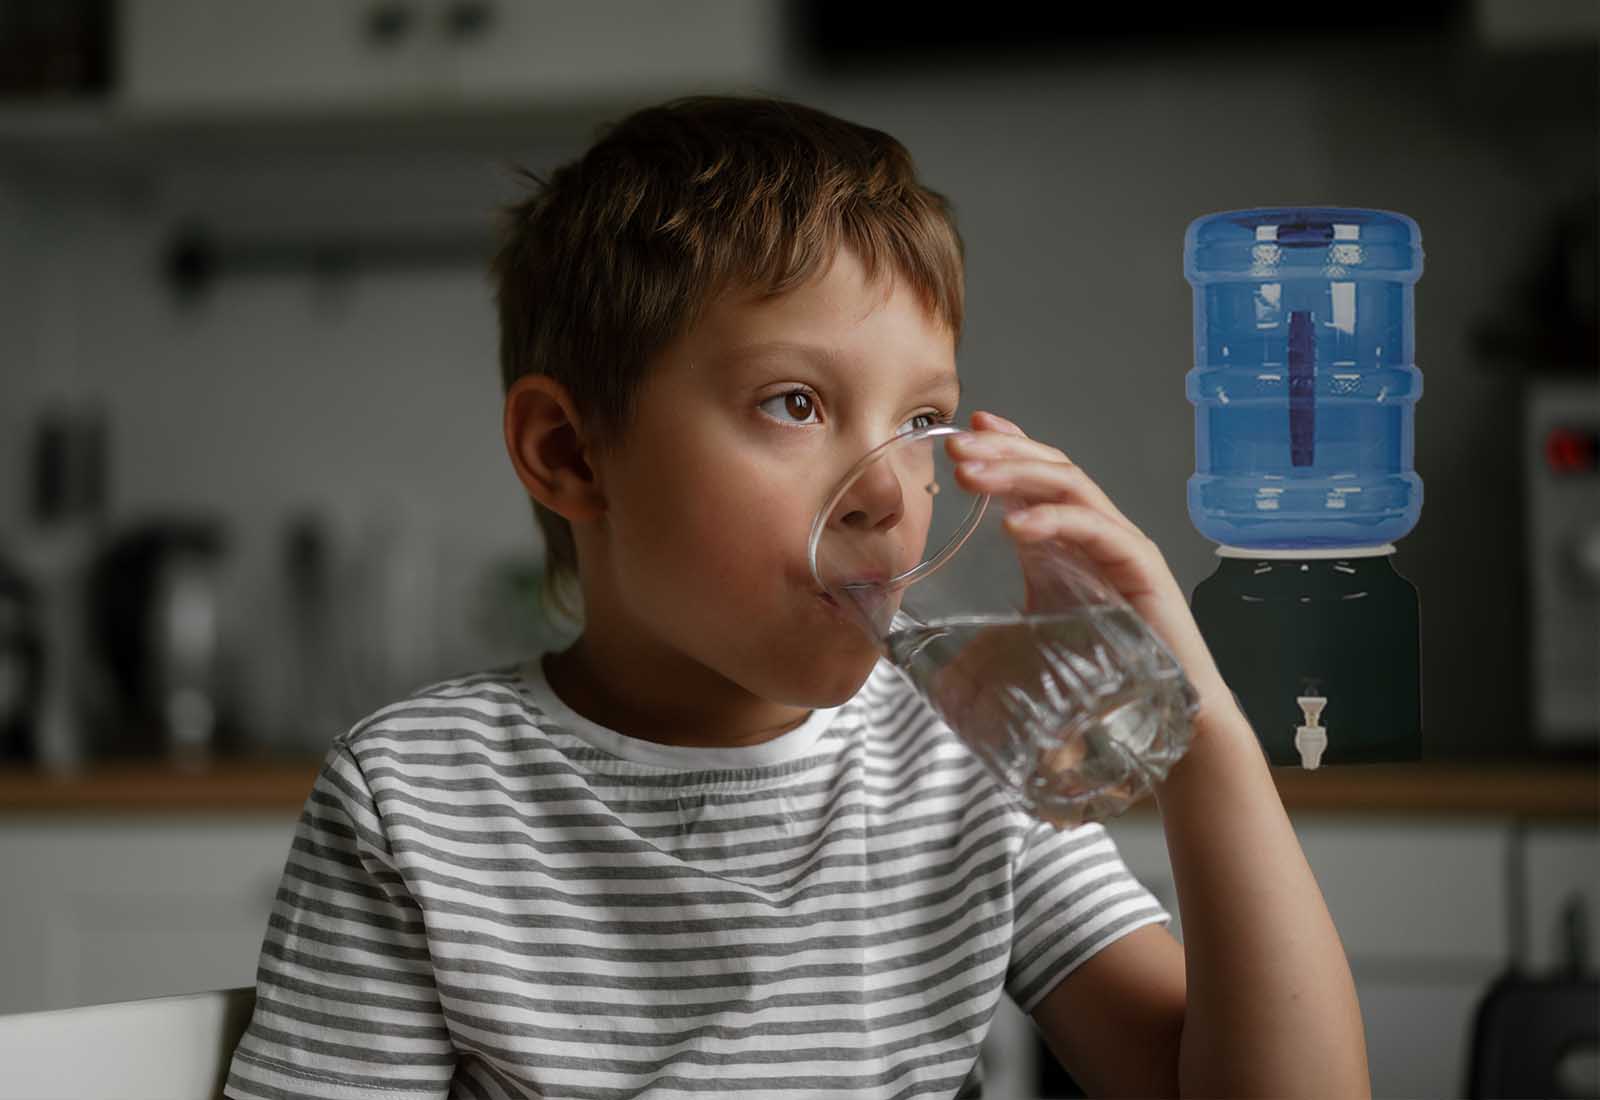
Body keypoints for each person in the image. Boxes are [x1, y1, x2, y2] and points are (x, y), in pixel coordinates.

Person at [223, 95, 1369, 1099]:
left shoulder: (955, 766)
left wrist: (1200, 719)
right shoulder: (418, 798)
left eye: (922, 420)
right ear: (570, 452)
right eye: (793, 403)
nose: (887, 490)